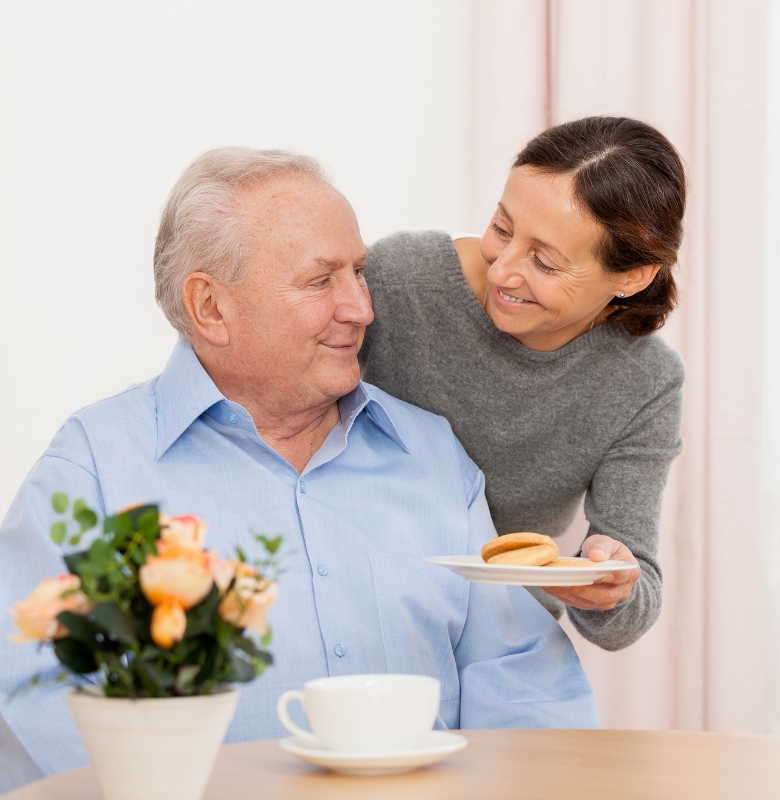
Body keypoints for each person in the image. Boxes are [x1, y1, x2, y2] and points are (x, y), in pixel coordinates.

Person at [0, 147, 597, 784]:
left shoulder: (431, 453)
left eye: (358, 273)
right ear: (211, 308)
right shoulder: (93, 466)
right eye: (321, 282)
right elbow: (32, 690)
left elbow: (521, 677)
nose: (361, 308)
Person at [361, 117, 686, 651]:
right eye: (502, 229)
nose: (503, 271)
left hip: (503, 635)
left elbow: (633, 600)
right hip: (369, 611)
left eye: (545, 261)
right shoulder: (401, 282)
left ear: (632, 276)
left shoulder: (643, 381)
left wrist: (607, 581)